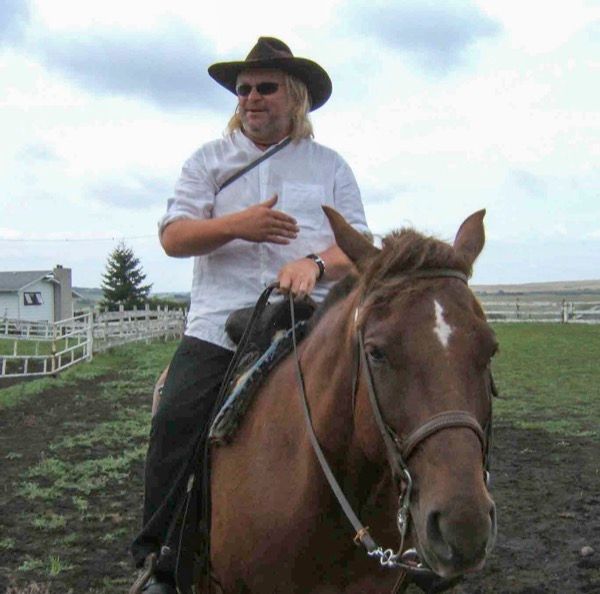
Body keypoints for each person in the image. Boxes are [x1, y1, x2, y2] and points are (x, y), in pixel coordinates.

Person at [130, 36, 370, 594]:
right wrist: (237, 226)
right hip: (220, 325)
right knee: (176, 419)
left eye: (266, 87)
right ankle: (162, 559)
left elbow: (357, 245)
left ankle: (402, 537)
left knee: (385, 403)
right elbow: (174, 236)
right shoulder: (208, 161)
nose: (251, 98)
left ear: (296, 96)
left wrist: (313, 263)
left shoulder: (330, 166)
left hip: (311, 321)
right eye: (243, 89)